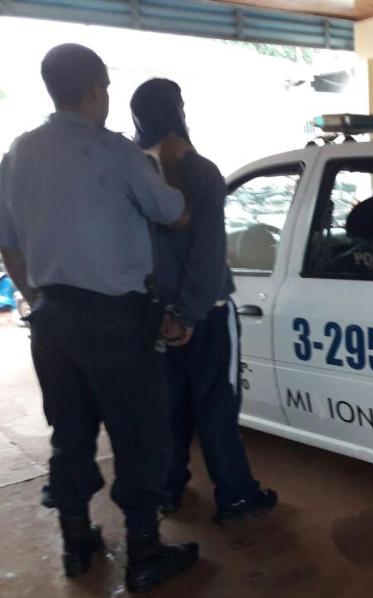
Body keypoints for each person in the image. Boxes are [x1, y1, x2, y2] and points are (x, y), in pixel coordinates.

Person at [0, 44, 199, 593]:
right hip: (116, 323)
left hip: (52, 322)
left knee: (70, 432)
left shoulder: (18, 154)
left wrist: (37, 299)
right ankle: (144, 551)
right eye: (105, 87)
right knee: (140, 434)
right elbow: (177, 215)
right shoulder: (115, 152)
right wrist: (171, 167)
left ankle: (76, 543)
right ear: (95, 90)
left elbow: (8, 244)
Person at [130, 78, 277, 525]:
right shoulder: (200, 171)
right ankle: (234, 495)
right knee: (217, 406)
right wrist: (189, 313)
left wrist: (166, 311)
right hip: (206, 314)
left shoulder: (133, 173)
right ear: (177, 111)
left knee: (168, 408)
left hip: (155, 314)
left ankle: (168, 490)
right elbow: (209, 252)